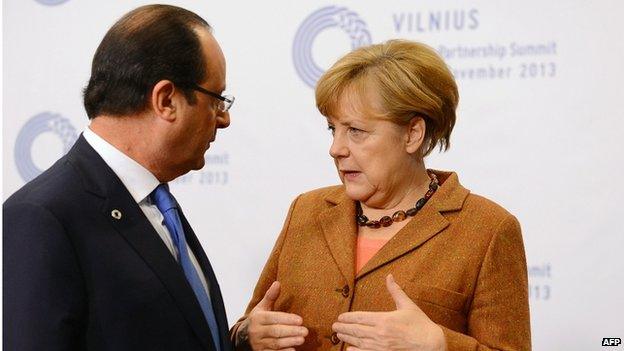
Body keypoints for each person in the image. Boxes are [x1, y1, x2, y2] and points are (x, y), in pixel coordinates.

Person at [231, 40, 530, 351]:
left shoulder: (488, 229)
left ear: (413, 134)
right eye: (332, 129)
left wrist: (439, 344)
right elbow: (252, 321)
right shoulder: (306, 210)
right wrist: (245, 336)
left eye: (356, 131)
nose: (336, 148)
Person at [3, 5, 233, 351]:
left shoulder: (156, 202)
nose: (224, 119)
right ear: (166, 100)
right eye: (216, 100)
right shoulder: (43, 215)